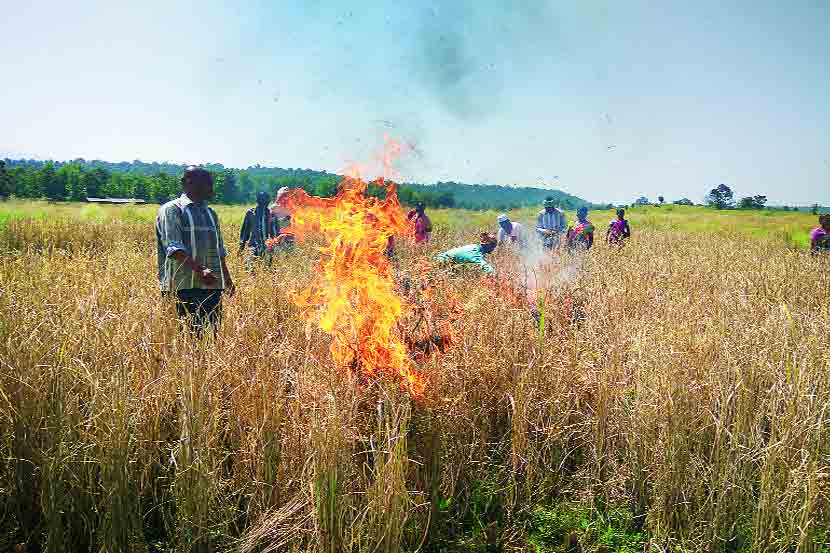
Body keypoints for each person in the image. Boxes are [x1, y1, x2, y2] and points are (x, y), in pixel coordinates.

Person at [156, 166, 235, 335]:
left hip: (211, 286)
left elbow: (218, 249)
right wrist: (200, 270)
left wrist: (226, 278)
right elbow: (174, 248)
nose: (211, 188)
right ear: (189, 183)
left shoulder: (210, 213)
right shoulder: (172, 210)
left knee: (210, 337)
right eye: (206, 183)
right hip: (183, 288)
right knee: (186, 338)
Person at [239, 191, 279, 265]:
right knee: (251, 269)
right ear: (257, 201)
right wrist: (241, 247)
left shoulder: (272, 215)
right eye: (261, 201)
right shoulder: (251, 213)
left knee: (268, 270)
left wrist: (275, 247)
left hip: (268, 248)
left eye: (265, 201)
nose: (263, 204)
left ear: (268, 202)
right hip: (253, 247)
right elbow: (245, 232)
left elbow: (276, 234)